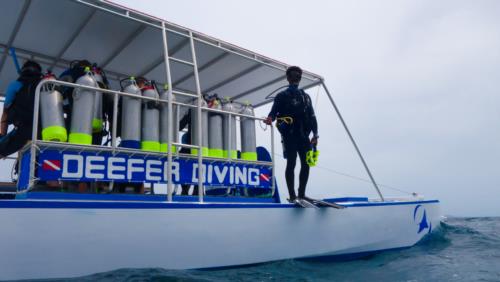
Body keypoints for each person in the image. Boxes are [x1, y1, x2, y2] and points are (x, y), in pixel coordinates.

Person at [264, 66, 318, 202]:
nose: (296, 79)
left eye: (298, 76)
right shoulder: (282, 96)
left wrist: (315, 135)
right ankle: (292, 195)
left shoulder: (306, 97)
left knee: (306, 164)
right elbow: (273, 113)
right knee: (292, 163)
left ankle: (301, 194)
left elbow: (312, 117)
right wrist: (269, 119)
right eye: (294, 76)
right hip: (289, 135)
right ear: (288, 78)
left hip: (304, 136)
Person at [0, 60, 42, 158]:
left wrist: (3, 137)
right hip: (43, 130)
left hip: (23, 130)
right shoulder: (45, 85)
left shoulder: (15, 84)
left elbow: (5, 112)